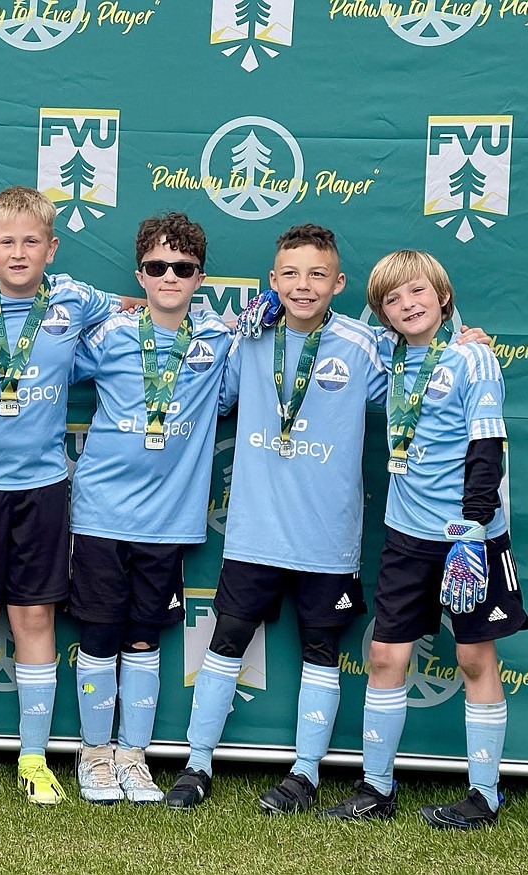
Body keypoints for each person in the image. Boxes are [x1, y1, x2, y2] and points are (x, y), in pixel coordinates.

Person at [165, 224, 388, 813]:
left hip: (329, 538)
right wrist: (228, 334)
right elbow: (212, 399)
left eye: (317, 274)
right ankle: (195, 765)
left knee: (320, 650)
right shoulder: (251, 338)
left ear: (339, 283)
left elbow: (423, 369)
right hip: (254, 531)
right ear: (272, 280)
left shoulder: (365, 345)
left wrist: (467, 338)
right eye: (290, 273)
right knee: (225, 641)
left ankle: (306, 774)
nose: (303, 285)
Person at [0, 186, 130, 806]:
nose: (19, 251)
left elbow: (135, 307)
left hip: (43, 489)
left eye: (31, 241)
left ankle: (34, 759)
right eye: (6, 242)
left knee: (35, 618)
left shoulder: (74, 298)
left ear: (51, 247)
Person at [319, 250, 527, 829]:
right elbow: (338, 329)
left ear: (442, 294)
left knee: (474, 657)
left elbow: (487, 452)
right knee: (386, 656)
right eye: (392, 299)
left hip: (470, 535)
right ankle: (375, 788)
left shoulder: (472, 359)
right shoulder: (386, 353)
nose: (407, 305)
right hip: (407, 536)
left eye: (417, 292)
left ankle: (484, 796)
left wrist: (471, 531)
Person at [68, 212, 233, 805]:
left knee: (144, 641)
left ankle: (134, 757)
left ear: (200, 277)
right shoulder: (109, 334)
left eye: (183, 268)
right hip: (100, 513)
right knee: (101, 634)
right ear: (140, 273)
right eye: (158, 266)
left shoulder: (219, 343)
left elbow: (267, 372)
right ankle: (94, 755)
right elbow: (48, 359)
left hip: (168, 520)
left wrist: (461, 334)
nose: (170, 276)